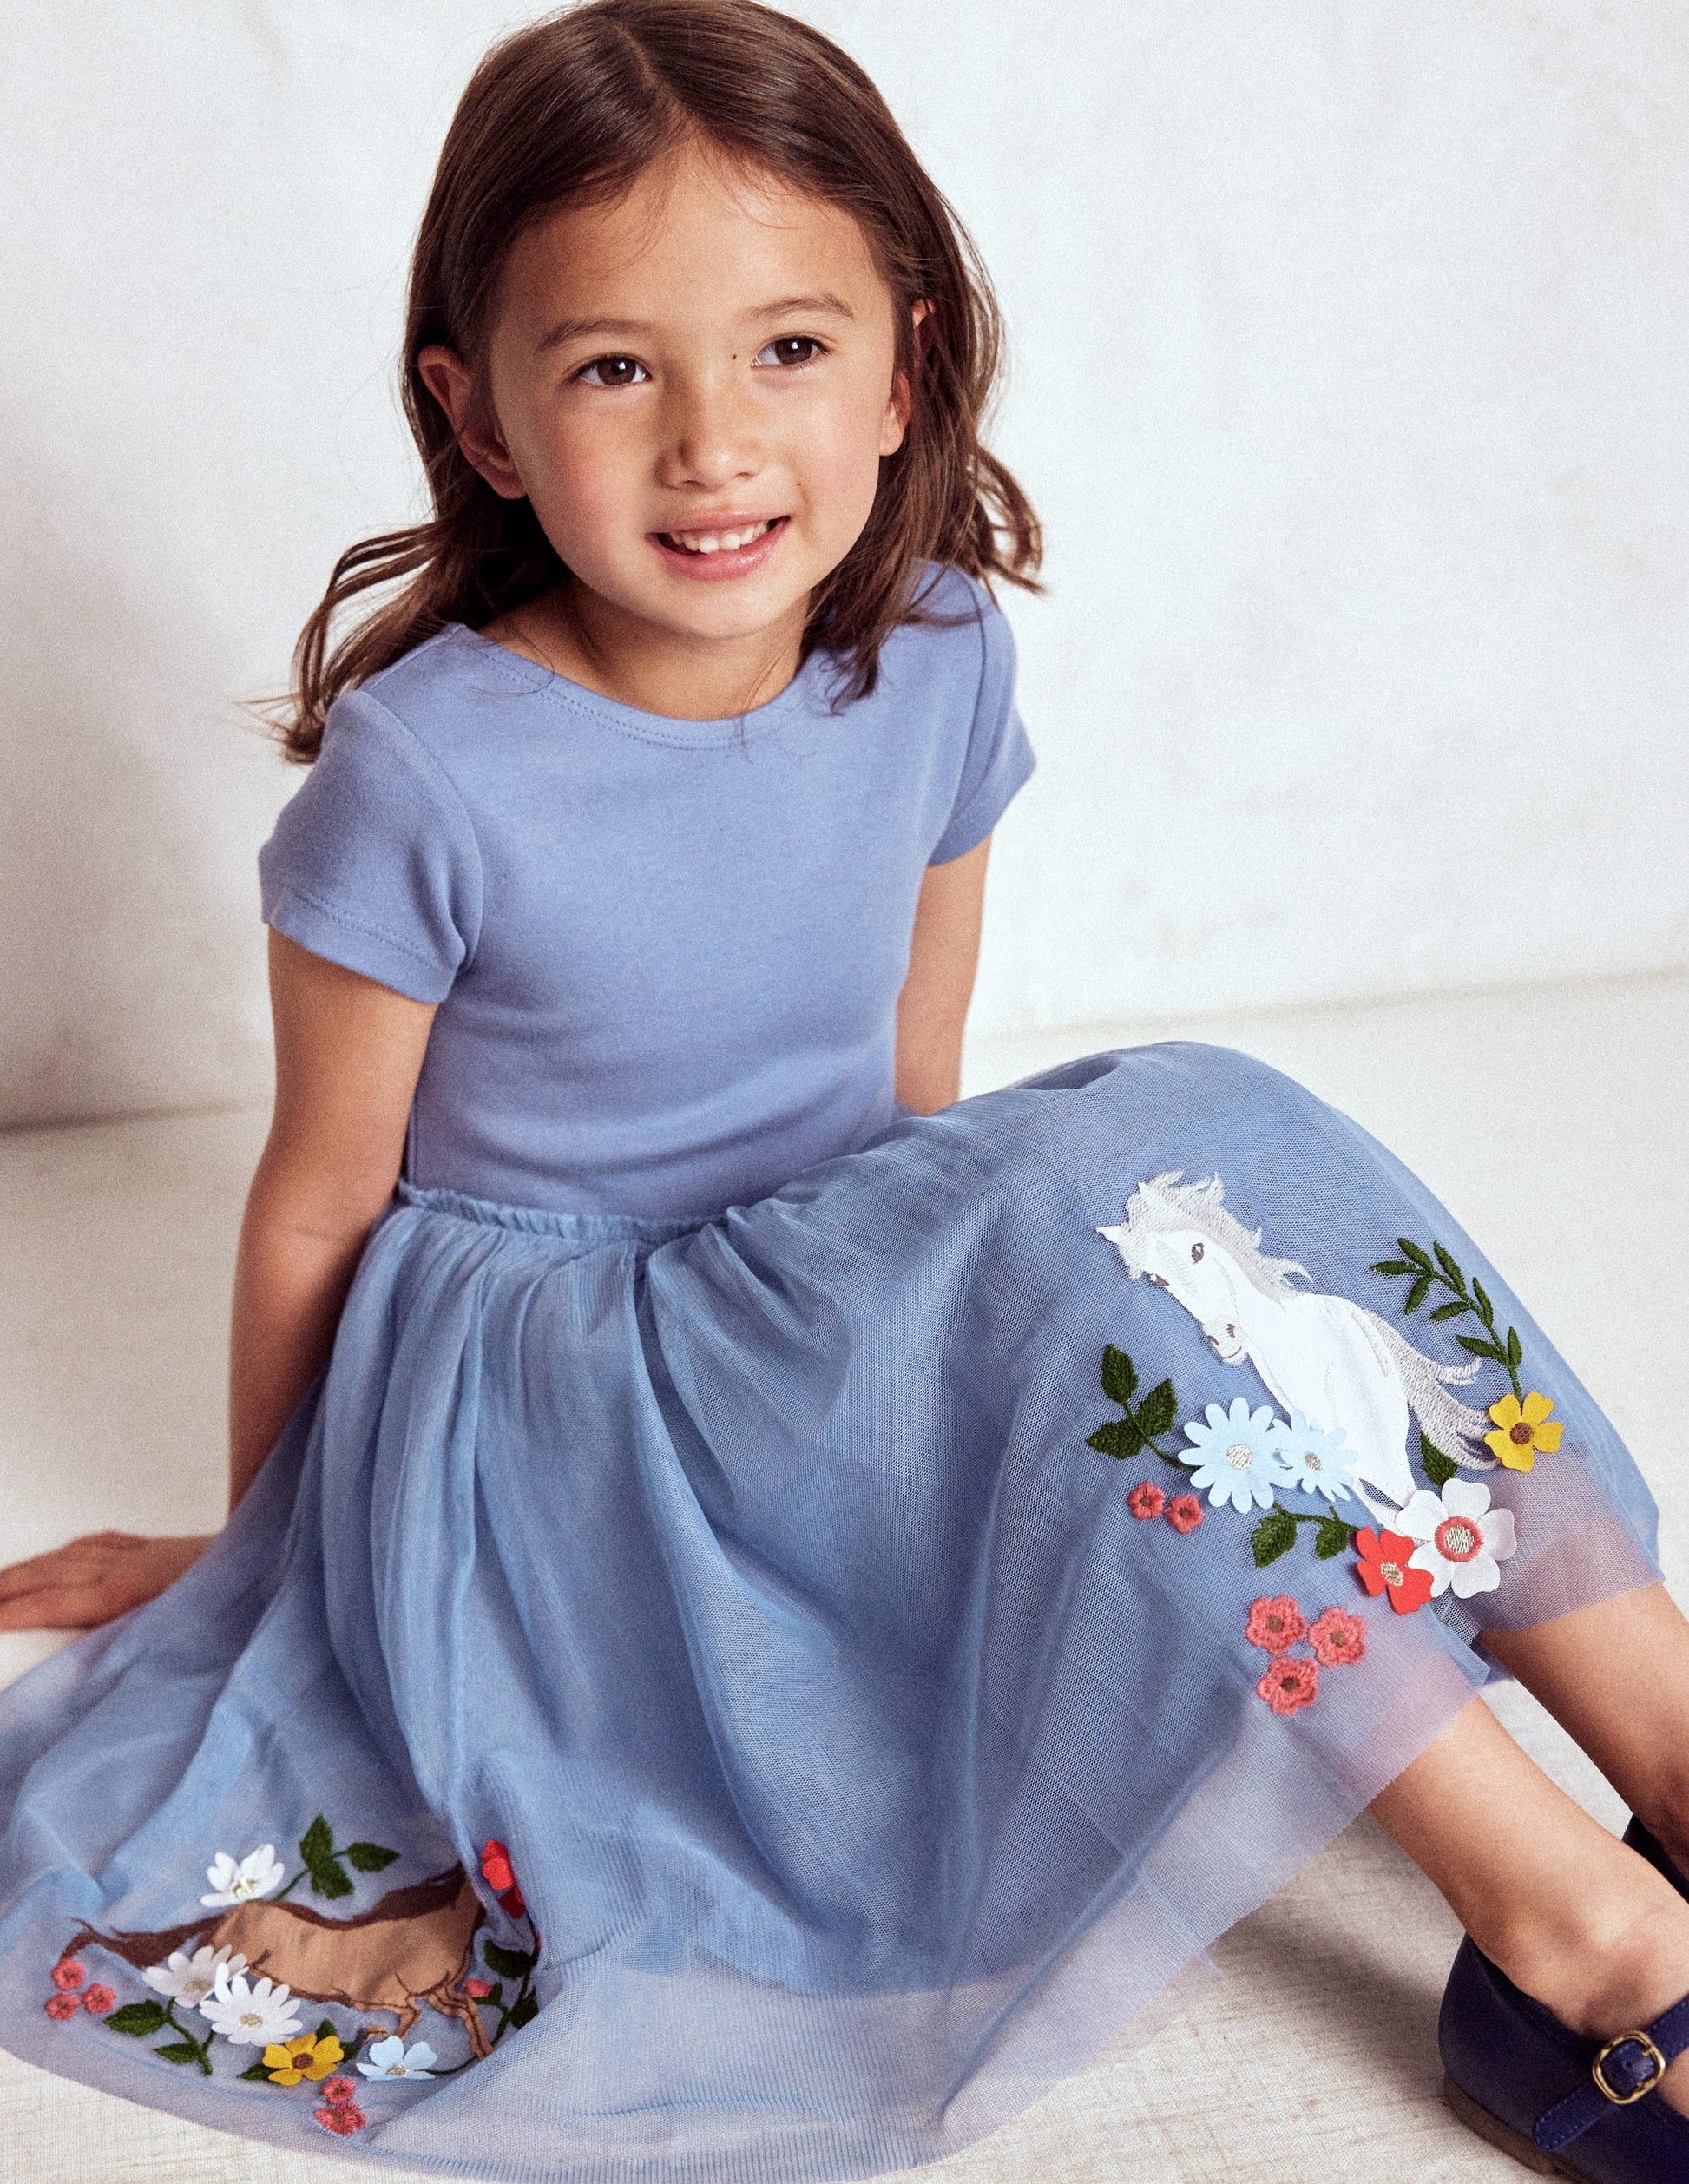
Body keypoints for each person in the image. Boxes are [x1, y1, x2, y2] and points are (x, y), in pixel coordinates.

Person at [0, 4, 1685, 2178]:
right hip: (576, 1389)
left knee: (1201, 1132)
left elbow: (922, 1099)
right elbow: (320, 1198)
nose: (713, 443)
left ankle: (1661, 1738)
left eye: (786, 350)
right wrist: (285, 1558)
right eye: (615, 368)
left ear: (903, 372)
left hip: (808, 1308)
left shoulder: (940, 650)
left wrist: (973, 1357)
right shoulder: (427, 777)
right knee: (1076, 1222)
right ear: (479, 416)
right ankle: (1579, 1936)